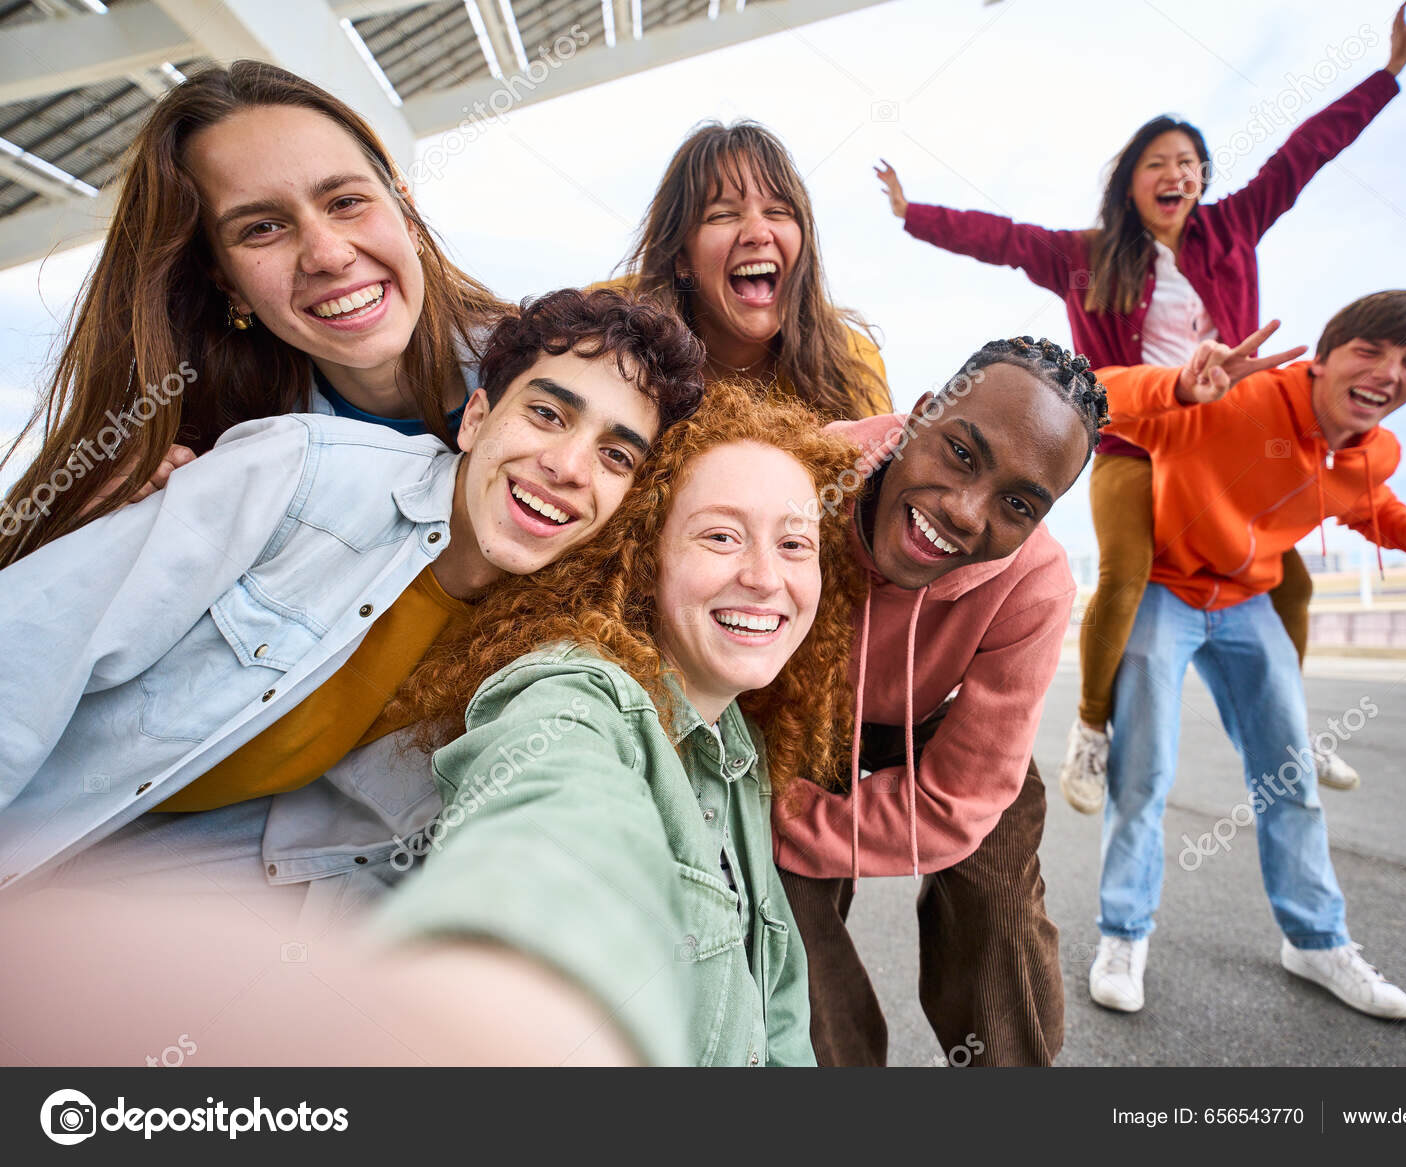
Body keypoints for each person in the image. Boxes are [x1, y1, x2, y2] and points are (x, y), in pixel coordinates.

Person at [874, 2, 1406, 805]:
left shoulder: (1234, 226)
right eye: (1159, 163)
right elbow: (1000, 235)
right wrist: (910, 214)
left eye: (1190, 164)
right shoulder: (1086, 258)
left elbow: (1304, 153)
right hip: (1138, 437)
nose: (1178, 175)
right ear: (1131, 181)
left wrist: (1386, 76)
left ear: (1202, 181)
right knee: (1126, 572)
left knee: (1291, 584)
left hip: (1234, 445)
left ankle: (1295, 731)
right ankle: (1092, 730)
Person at [0, 288, 704, 903]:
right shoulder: (298, 473)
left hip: (133, 913)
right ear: (477, 418)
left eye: (617, 455)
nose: (567, 466)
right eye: (548, 414)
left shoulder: (536, 648)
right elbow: (25, 649)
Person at [370, 381, 865, 1066]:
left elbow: (776, 1010)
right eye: (721, 535)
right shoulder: (575, 697)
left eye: (794, 544)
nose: (763, 575)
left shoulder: (738, 744)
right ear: (642, 557)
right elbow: (555, 835)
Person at [1086, 293, 1406, 1020]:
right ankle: (1122, 934)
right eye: (1370, 350)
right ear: (1326, 355)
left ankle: (1315, 940)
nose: (1388, 372)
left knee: (1289, 776)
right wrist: (1177, 385)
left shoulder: (1375, 449)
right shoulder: (1238, 399)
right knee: (1142, 770)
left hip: (1246, 600)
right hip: (1168, 589)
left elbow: (1370, 506)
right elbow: (1097, 395)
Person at [0, 60, 511, 568]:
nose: (328, 255)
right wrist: (94, 533)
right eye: (262, 228)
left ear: (409, 216)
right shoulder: (215, 460)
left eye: (346, 201)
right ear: (227, 282)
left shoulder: (559, 366)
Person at [774, 336, 1106, 1066]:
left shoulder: (1037, 583)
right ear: (921, 415)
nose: (964, 511)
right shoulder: (806, 473)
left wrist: (814, 823)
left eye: (1017, 503)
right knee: (782, 897)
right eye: (960, 453)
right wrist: (779, 817)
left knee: (998, 899)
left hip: (935, 719)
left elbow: (963, 796)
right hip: (800, 708)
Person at [611, 119, 891, 420]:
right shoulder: (609, 324)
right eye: (723, 215)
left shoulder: (849, 361)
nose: (758, 233)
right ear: (681, 257)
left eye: (777, 212)